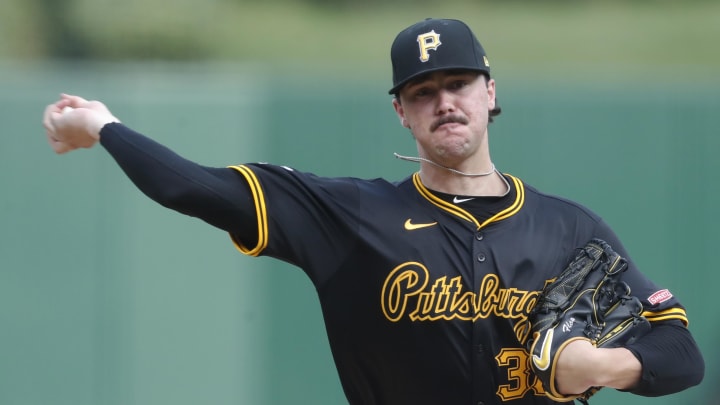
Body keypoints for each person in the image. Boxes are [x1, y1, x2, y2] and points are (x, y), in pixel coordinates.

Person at [43, 18, 703, 405]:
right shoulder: (349, 214)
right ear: (401, 111)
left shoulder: (569, 229)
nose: (443, 100)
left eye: (457, 83)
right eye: (422, 91)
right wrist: (105, 127)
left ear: (489, 91)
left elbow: (679, 349)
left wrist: (608, 365)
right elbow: (195, 188)